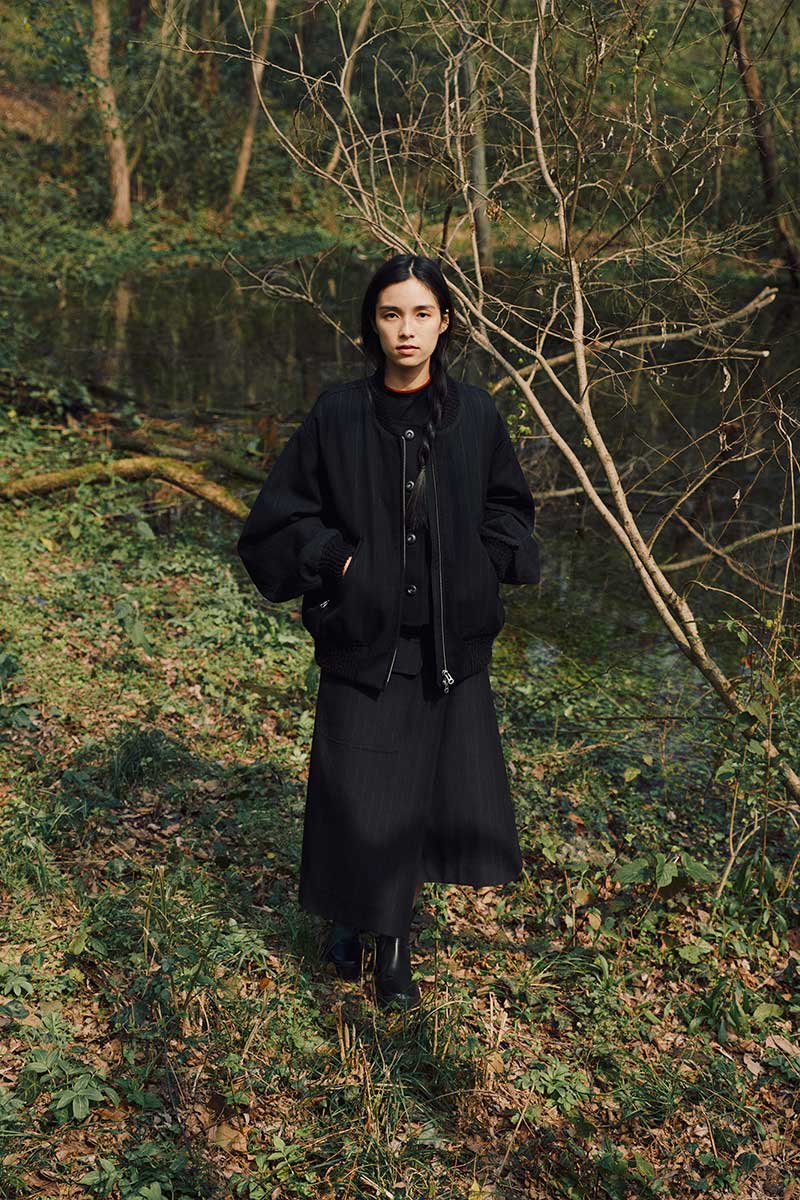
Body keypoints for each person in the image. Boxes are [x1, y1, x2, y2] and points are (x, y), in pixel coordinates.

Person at [237, 252, 540, 1011]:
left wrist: (481, 563)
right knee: (352, 788)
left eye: (422, 314)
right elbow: (280, 517)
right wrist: (337, 561)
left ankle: (394, 949)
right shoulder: (339, 413)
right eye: (391, 313)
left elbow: (510, 509)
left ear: (445, 323)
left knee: (415, 798)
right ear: (372, 324)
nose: (407, 330)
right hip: (361, 633)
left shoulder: (476, 413)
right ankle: (345, 920)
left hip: (443, 641)